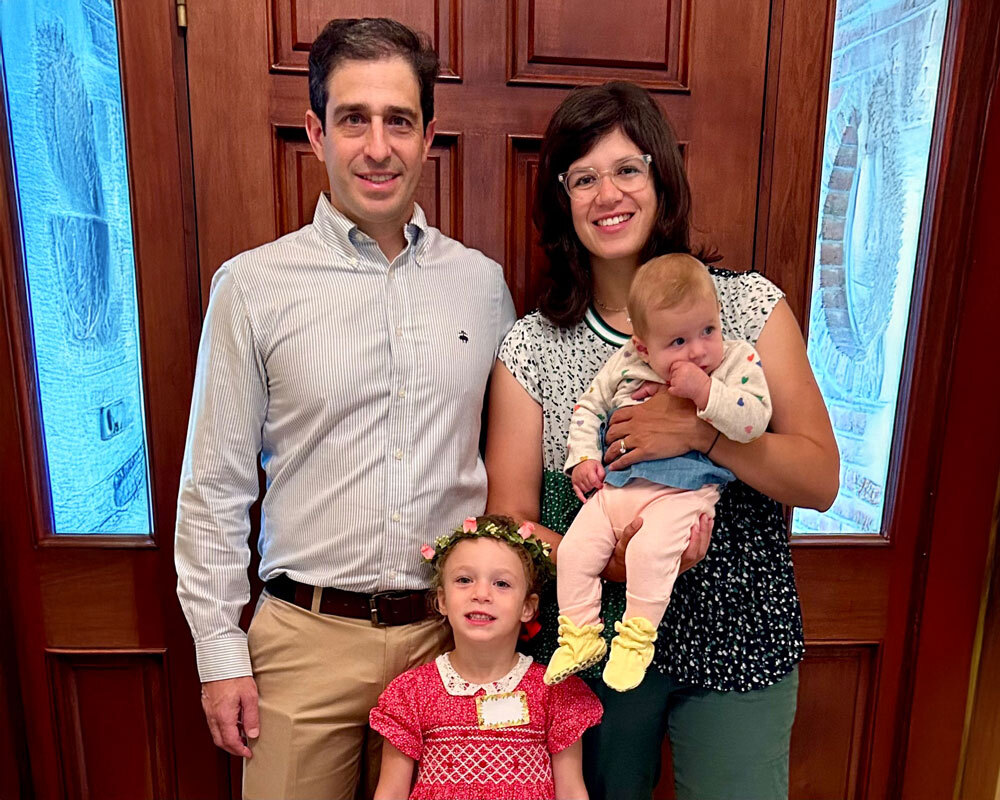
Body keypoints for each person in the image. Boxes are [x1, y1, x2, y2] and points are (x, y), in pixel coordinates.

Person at [174, 18, 516, 800]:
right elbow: (214, 488)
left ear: (429, 134)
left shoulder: (482, 287)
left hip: (453, 641)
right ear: (315, 131)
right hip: (303, 646)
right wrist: (219, 653)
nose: (377, 146)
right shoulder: (252, 289)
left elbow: (506, 469)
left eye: (398, 120)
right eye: (353, 119)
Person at [485, 81, 839, 799]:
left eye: (626, 169)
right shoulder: (531, 347)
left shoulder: (747, 307)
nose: (606, 194)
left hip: (741, 633)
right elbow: (510, 523)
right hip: (598, 643)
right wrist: (614, 563)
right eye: (582, 177)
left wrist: (703, 436)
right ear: (563, 200)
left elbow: (821, 478)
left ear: (661, 178)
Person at [546, 253, 771, 693]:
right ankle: (580, 635)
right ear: (643, 345)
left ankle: (635, 639)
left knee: (649, 552)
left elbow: (754, 421)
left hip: (684, 493)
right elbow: (589, 407)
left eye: (708, 330)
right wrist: (582, 458)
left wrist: (705, 394)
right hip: (618, 484)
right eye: (678, 342)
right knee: (574, 551)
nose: (698, 351)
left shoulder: (735, 361)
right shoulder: (627, 361)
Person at [370, 515, 601, 800]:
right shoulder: (411, 693)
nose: (481, 594)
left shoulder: (554, 692)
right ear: (442, 600)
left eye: (502, 584)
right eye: (464, 580)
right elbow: (390, 792)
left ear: (528, 607)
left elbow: (571, 791)